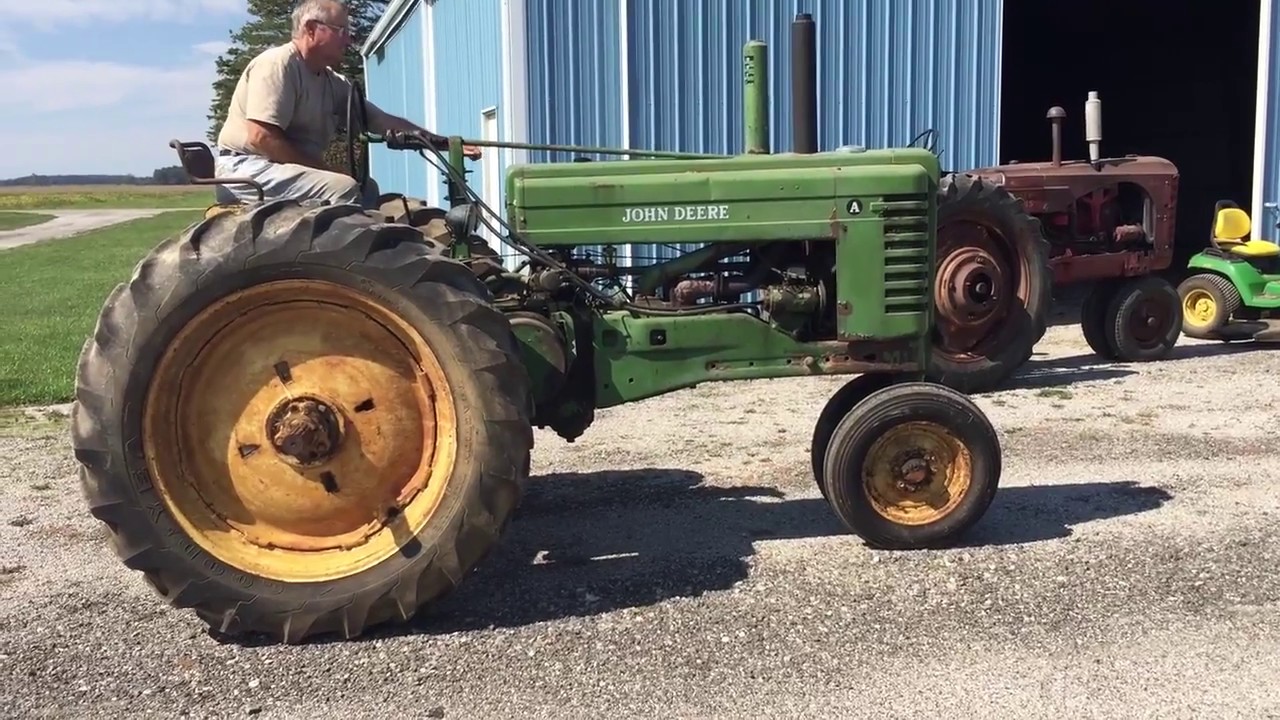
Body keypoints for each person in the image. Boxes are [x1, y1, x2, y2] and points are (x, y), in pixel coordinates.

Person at [214, 0, 479, 207]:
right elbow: (261, 137)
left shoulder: (332, 82)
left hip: (279, 170)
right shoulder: (277, 64)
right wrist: (324, 169)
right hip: (247, 169)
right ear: (311, 29)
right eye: (341, 31)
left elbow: (382, 121)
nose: (348, 39)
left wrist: (442, 143)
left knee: (367, 188)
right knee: (342, 188)